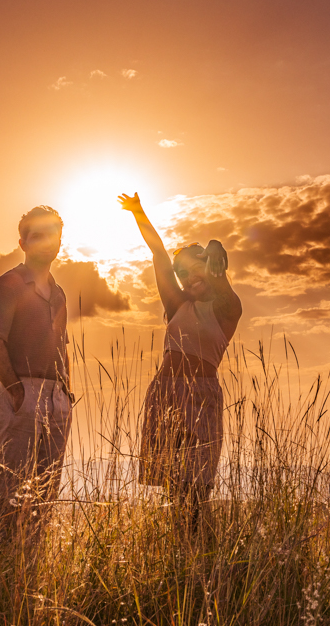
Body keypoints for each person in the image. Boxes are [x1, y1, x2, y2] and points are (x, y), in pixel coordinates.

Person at [119, 192, 242, 536]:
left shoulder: (227, 308)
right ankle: (179, 556)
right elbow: (158, 253)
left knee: (197, 490)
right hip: (166, 394)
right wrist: (138, 212)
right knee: (174, 490)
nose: (189, 278)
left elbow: (223, 285)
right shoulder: (176, 305)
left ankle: (202, 557)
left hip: (201, 397)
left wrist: (216, 247)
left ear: (213, 267)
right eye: (184, 273)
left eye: (196, 268)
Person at [0, 205, 72, 548]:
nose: (46, 242)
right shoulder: (9, 285)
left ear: (60, 241)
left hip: (57, 397)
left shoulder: (59, 292)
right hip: (22, 390)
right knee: (12, 484)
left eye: (52, 235)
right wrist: (17, 391)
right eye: (37, 236)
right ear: (23, 242)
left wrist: (67, 391)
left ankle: (30, 558)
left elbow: (62, 342)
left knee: (47, 486)